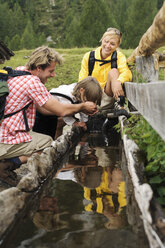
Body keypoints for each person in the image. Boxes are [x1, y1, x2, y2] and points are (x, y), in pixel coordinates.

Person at [0, 46, 97, 186]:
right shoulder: (32, 82)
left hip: (4, 133)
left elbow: (45, 110)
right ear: (39, 68)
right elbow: (61, 111)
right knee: (47, 144)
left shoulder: (19, 72)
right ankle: (6, 166)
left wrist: (73, 113)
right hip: (5, 139)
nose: (53, 75)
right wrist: (82, 107)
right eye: (51, 71)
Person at [79, 27, 132, 112]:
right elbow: (82, 80)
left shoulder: (118, 56)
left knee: (113, 72)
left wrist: (119, 82)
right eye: (106, 41)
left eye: (112, 44)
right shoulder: (88, 56)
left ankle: (120, 105)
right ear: (102, 39)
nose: (108, 46)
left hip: (108, 96)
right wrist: (84, 100)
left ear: (118, 45)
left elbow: (126, 72)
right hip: (91, 96)